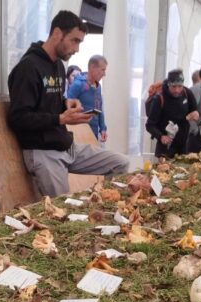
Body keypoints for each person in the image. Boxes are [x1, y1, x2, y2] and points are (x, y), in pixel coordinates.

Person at [7, 10, 129, 198]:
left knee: (121, 163)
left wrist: (66, 103)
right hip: (43, 151)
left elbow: (47, 102)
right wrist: (60, 118)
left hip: (66, 145)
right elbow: (18, 118)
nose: (77, 49)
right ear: (57, 33)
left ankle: (106, 209)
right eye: (75, 40)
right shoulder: (28, 68)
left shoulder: (57, 66)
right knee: (63, 211)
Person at [146, 69, 199, 158]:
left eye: (180, 86)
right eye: (173, 87)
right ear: (168, 85)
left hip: (183, 144)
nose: (177, 90)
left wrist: (195, 114)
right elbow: (149, 125)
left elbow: (194, 110)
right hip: (166, 146)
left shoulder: (187, 93)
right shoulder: (159, 99)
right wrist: (161, 136)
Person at [67, 55, 108, 145]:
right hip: (80, 134)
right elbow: (66, 107)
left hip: (94, 133)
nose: (104, 74)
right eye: (103, 70)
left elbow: (99, 109)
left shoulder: (98, 86)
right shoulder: (78, 85)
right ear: (93, 68)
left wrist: (103, 129)